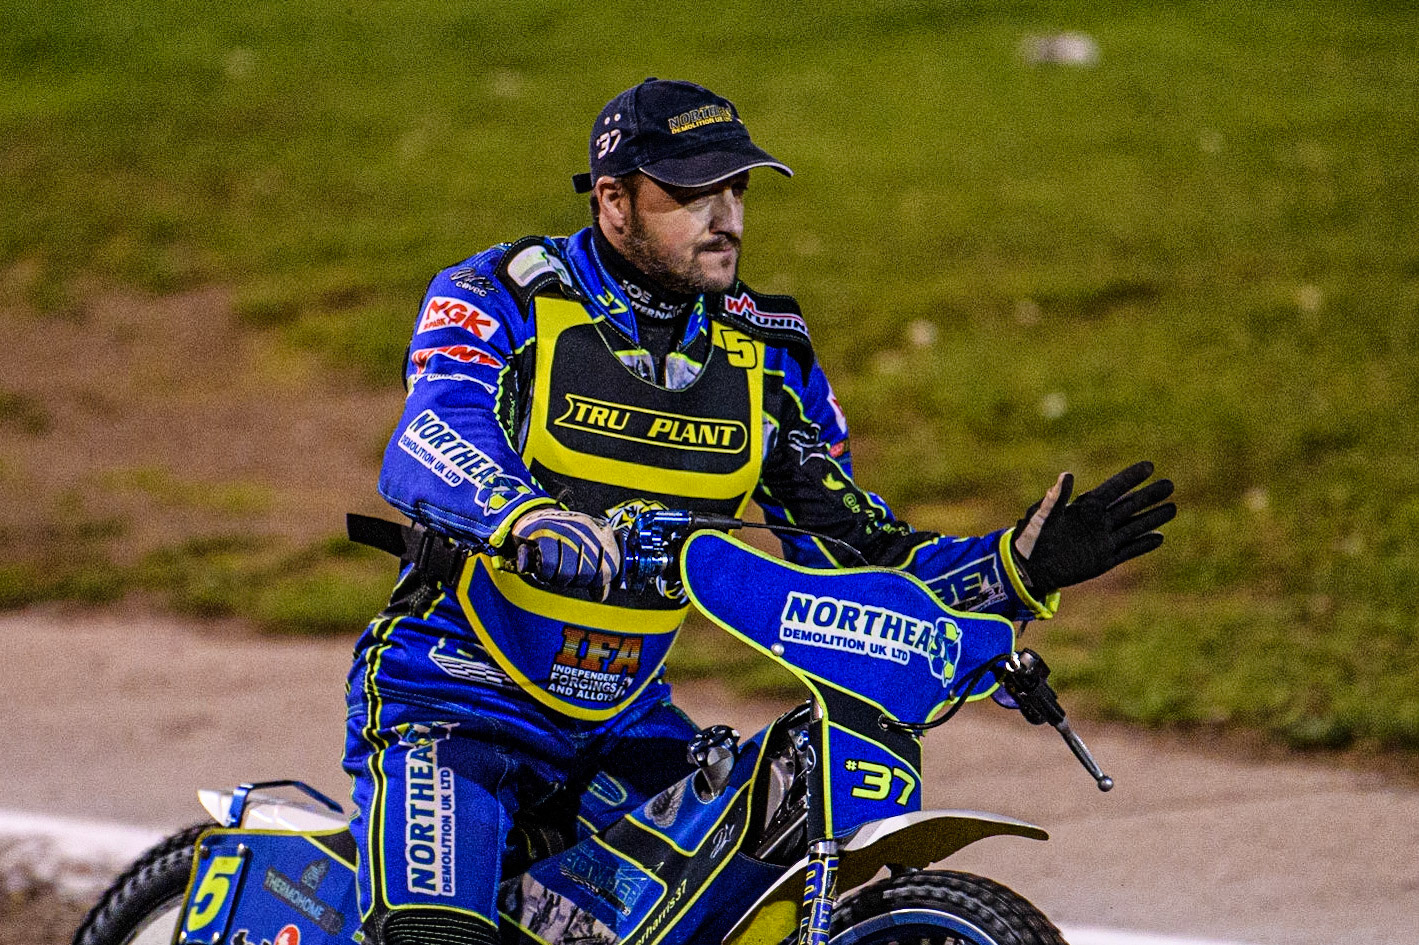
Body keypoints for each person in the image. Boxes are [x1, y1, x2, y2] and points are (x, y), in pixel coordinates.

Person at [342, 78, 1175, 945]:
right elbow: (432, 431)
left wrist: (1016, 567)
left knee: (753, 882)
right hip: (451, 701)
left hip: (624, 722)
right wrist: (524, 518)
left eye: (735, 188)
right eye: (692, 193)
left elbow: (855, 549)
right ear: (613, 201)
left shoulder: (767, 352)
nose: (725, 214)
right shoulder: (505, 295)